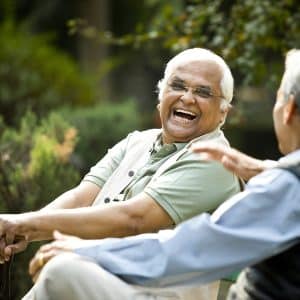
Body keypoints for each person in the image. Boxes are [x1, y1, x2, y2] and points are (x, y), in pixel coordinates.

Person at [24, 49, 300, 300]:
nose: (187, 97)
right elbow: (81, 196)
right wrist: (20, 228)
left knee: (62, 271)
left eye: (203, 92)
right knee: (60, 272)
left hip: (151, 289)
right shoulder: (137, 141)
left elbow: (151, 228)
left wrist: (85, 251)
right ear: (160, 96)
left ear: (288, 110)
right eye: (178, 86)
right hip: (117, 279)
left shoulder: (222, 163)